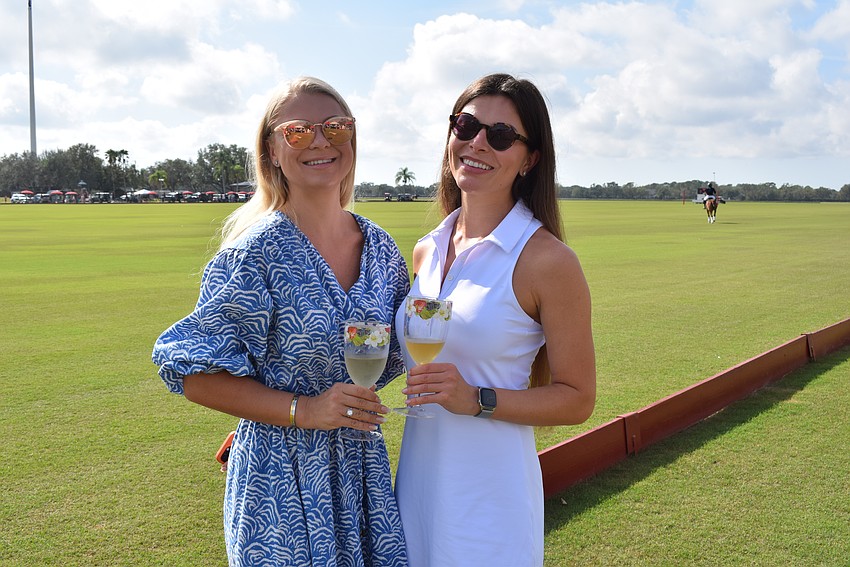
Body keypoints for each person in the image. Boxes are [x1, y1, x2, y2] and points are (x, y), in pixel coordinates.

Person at [152, 76, 409, 566]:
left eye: (335, 128)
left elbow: (407, 341)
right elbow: (190, 371)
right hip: (279, 483)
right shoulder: (256, 253)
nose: (319, 140)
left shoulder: (381, 250)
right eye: (298, 131)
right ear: (271, 149)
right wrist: (301, 410)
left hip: (361, 471)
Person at [393, 73, 597, 566]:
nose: (477, 142)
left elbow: (577, 400)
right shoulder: (428, 249)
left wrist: (476, 399)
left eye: (501, 135)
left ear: (530, 159)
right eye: (465, 125)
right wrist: (280, 411)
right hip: (415, 491)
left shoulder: (547, 260)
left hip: (488, 503)